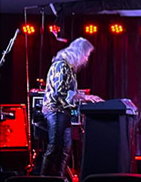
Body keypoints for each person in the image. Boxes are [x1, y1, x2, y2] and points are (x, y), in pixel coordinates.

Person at [41, 37, 102, 177]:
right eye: (86, 55)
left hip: (64, 111)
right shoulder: (60, 65)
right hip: (55, 110)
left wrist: (84, 97)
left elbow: (69, 93)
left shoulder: (70, 69)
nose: (86, 59)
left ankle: (59, 177)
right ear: (79, 53)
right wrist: (84, 97)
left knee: (65, 149)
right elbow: (60, 92)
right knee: (54, 147)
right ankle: (44, 177)